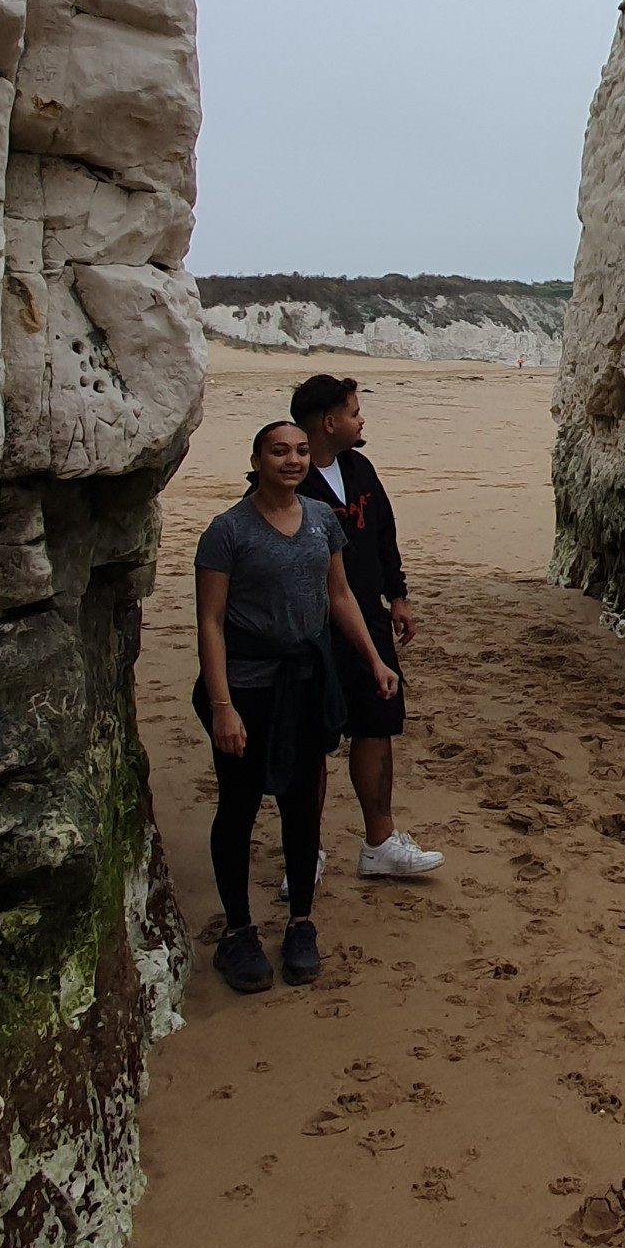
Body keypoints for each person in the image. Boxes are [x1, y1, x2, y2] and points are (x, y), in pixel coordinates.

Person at [193, 418, 401, 994]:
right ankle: (237, 931)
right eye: (279, 451)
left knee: (300, 804)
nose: (292, 460)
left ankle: (301, 924)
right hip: (248, 685)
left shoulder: (320, 522)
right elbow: (209, 622)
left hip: (308, 683)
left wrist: (373, 660)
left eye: (301, 451)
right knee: (237, 806)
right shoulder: (226, 531)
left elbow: (340, 596)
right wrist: (221, 706)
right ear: (257, 459)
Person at [290, 371, 443, 881]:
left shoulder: (360, 469)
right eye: (354, 412)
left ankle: (379, 843)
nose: (361, 420)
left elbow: (383, 533)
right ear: (328, 422)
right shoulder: (289, 479)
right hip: (309, 632)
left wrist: (396, 596)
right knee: (312, 738)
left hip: (370, 620)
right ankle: (303, 852)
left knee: (377, 725)